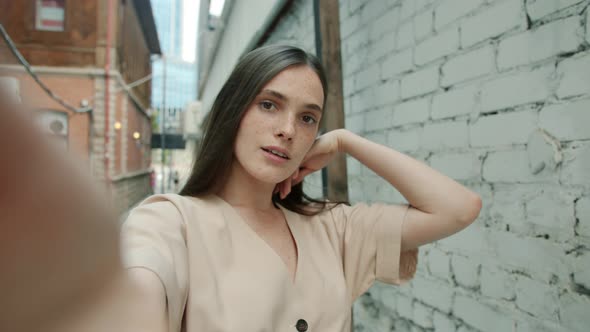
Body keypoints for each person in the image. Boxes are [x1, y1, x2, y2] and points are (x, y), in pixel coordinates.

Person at [122, 44, 482, 332]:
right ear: (233, 110)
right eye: (268, 105)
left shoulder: (333, 229)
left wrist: (343, 142)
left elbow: (458, 208)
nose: (288, 130)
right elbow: (139, 288)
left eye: (308, 118)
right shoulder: (170, 222)